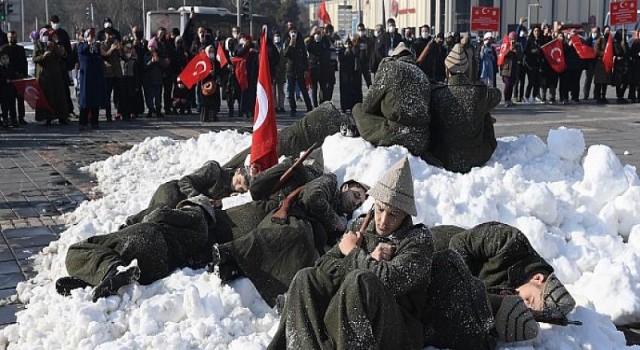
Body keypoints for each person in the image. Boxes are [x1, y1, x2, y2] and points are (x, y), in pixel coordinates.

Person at [268, 157, 433, 350]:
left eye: (393, 214)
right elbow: (323, 266)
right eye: (380, 209)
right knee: (306, 277)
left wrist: (356, 254)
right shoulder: (360, 225)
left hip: (398, 329)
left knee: (360, 279)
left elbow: (391, 281)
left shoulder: (418, 240)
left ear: (405, 214)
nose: (383, 220)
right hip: (348, 316)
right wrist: (348, 252)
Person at [208, 173, 369, 306]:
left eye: (358, 203)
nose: (355, 202)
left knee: (307, 258)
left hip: (308, 236)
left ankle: (234, 268)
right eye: (356, 195)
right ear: (346, 187)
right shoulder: (331, 182)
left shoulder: (342, 217)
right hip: (293, 217)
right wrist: (335, 221)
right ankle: (229, 252)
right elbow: (313, 198)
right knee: (293, 234)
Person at [56, 195, 216, 302]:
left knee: (80, 249)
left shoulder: (195, 213)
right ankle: (103, 279)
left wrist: (136, 225)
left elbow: (159, 215)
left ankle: (108, 270)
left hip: (148, 236)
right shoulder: (204, 237)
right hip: (157, 267)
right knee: (119, 256)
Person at [430, 221, 576, 317]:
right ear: (537, 278)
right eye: (528, 300)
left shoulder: (515, 294)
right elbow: (459, 243)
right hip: (433, 249)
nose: (523, 306)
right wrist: (467, 287)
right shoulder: (511, 242)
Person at [352, 43, 436, 165]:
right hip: (420, 141)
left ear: (395, 57)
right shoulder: (422, 76)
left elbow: (367, 106)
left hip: (396, 136)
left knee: (357, 109)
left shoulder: (390, 68)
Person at [429, 43, 501, 173]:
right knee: (484, 112)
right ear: (467, 70)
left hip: (445, 156)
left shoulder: (438, 94)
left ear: (447, 70)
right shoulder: (479, 92)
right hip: (479, 154)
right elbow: (497, 95)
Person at [223, 101, 354, 170]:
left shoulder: (327, 108)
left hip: (291, 135)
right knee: (258, 157)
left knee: (256, 152)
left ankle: (228, 169)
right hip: (293, 142)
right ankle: (229, 171)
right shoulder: (335, 122)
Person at [125, 160, 250, 226]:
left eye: (241, 189)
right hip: (175, 192)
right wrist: (198, 198)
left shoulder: (230, 195)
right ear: (237, 171)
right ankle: (131, 223)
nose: (236, 186)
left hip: (185, 207)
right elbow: (184, 182)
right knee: (163, 208)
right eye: (238, 181)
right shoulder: (214, 171)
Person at [32, 28, 70, 126]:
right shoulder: (38, 45)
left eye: (46, 35)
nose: (45, 37)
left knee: (58, 96)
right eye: (43, 34)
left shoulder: (53, 44)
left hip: (54, 74)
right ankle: (46, 117)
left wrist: (55, 49)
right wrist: (43, 56)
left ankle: (62, 116)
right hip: (43, 74)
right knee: (46, 97)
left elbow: (59, 56)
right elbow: (35, 58)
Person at [77, 28, 106, 130]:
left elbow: (100, 56)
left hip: (95, 77)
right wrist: (88, 43)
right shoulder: (81, 45)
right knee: (85, 101)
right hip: (85, 78)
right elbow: (83, 50)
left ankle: (95, 122)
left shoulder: (95, 47)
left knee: (95, 101)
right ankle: (82, 122)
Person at [284, 23, 313, 117]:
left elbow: (305, 56)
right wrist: (290, 45)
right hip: (291, 70)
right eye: (291, 32)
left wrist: (306, 69)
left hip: (300, 69)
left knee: (304, 89)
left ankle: (309, 107)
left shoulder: (300, 42)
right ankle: (293, 109)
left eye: (294, 32)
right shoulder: (287, 42)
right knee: (291, 91)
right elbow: (285, 54)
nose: (293, 34)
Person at [50, 15, 76, 117]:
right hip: (52, 66)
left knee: (65, 89)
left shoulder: (63, 33)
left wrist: (65, 53)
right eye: (54, 22)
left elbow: (68, 49)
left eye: (57, 22)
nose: (56, 24)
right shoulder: (48, 32)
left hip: (62, 64)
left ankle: (69, 109)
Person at [0, 31, 28, 125]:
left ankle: (21, 117)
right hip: (8, 77)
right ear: (7, 38)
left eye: (14, 37)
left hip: (19, 76)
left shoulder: (20, 49)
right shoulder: (4, 49)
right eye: (10, 37)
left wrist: (25, 74)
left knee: (20, 98)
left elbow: (24, 62)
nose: (12, 39)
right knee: (9, 99)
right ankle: (10, 118)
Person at [101, 27, 123, 121]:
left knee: (118, 95)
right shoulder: (102, 44)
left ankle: (119, 112)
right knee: (107, 95)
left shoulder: (116, 43)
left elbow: (123, 56)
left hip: (117, 72)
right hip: (108, 73)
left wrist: (120, 49)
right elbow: (104, 56)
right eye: (109, 35)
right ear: (106, 35)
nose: (111, 37)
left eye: (112, 35)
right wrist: (112, 49)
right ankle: (108, 115)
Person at [197, 45, 222, 122]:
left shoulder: (216, 62)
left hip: (214, 84)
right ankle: (205, 117)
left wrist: (217, 76)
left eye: (212, 51)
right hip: (205, 84)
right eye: (210, 51)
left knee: (214, 101)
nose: (211, 53)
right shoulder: (203, 61)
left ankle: (214, 116)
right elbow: (200, 73)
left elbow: (220, 72)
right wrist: (208, 73)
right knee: (206, 102)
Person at [338, 38, 362, 113]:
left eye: (349, 44)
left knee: (352, 90)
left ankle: (351, 106)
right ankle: (344, 107)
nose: (348, 46)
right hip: (344, 73)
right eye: (347, 44)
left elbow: (357, 58)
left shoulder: (353, 50)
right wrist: (345, 53)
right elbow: (341, 59)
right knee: (344, 90)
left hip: (352, 74)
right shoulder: (342, 50)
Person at [143, 38, 165, 118]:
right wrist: (151, 62)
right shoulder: (146, 55)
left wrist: (158, 61)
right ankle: (150, 110)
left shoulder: (159, 55)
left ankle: (158, 110)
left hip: (158, 79)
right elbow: (145, 66)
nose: (151, 48)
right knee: (150, 97)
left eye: (153, 47)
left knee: (158, 96)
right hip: (149, 79)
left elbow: (163, 65)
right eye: (150, 47)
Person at [499, 31, 522, 107]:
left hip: (514, 68)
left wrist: (516, 52)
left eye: (514, 39)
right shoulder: (505, 45)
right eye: (511, 39)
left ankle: (509, 100)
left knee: (512, 85)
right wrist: (510, 50)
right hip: (506, 68)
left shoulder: (518, 46)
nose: (513, 41)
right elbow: (503, 55)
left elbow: (520, 57)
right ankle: (506, 100)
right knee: (507, 85)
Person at [523, 26, 543, 104]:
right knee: (531, 81)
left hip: (538, 64)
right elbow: (525, 51)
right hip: (530, 65)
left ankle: (534, 97)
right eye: (535, 31)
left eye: (538, 31)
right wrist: (532, 51)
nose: (536, 32)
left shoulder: (540, 41)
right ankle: (526, 97)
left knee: (537, 82)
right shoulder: (529, 40)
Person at [594, 29, 611, 104]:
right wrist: (604, 54)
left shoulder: (610, 40)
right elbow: (596, 50)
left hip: (607, 62)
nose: (607, 32)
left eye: (609, 30)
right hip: (600, 62)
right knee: (599, 81)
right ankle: (598, 97)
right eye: (606, 30)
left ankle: (603, 96)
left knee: (605, 81)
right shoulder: (600, 39)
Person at [612, 29, 629, 104]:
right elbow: (618, 52)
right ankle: (619, 96)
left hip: (625, 64)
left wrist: (624, 46)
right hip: (618, 64)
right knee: (618, 81)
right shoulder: (615, 43)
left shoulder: (625, 42)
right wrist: (622, 47)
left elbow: (628, 53)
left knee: (626, 81)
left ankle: (621, 95)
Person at [583, 27, 599, 100]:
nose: (594, 34)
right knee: (588, 80)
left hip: (597, 62)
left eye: (596, 32)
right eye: (593, 32)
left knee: (597, 80)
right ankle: (586, 95)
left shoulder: (600, 40)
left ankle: (596, 95)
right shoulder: (588, 40)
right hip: (589, 63)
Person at [354, 23, 373, 87]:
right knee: (357, 81)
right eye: (359, 30)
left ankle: (371, 94)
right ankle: (358, 96)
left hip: (365, 62)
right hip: (358, 63)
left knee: (368, 80)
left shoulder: (368, 40)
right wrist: (357, 40)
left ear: (364, 30)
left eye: (362, 30)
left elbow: (370, 51)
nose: (361, 31)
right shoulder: (355, 40)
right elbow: (353, 49)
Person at [272, 31, 286, 112]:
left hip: (281, 70)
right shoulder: (272, 47)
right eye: (276, 36)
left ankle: (281, 106)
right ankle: (275, 106)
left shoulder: (283, 47)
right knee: (273, 90)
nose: (277, 37)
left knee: (281, 89)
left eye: (278, 36)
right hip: (274, 71)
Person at [628, 29, 640, 103]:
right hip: (636, 64)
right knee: (634, 81)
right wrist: (637, 54)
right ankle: (632, 96)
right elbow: (631, 53)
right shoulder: (635, 42)